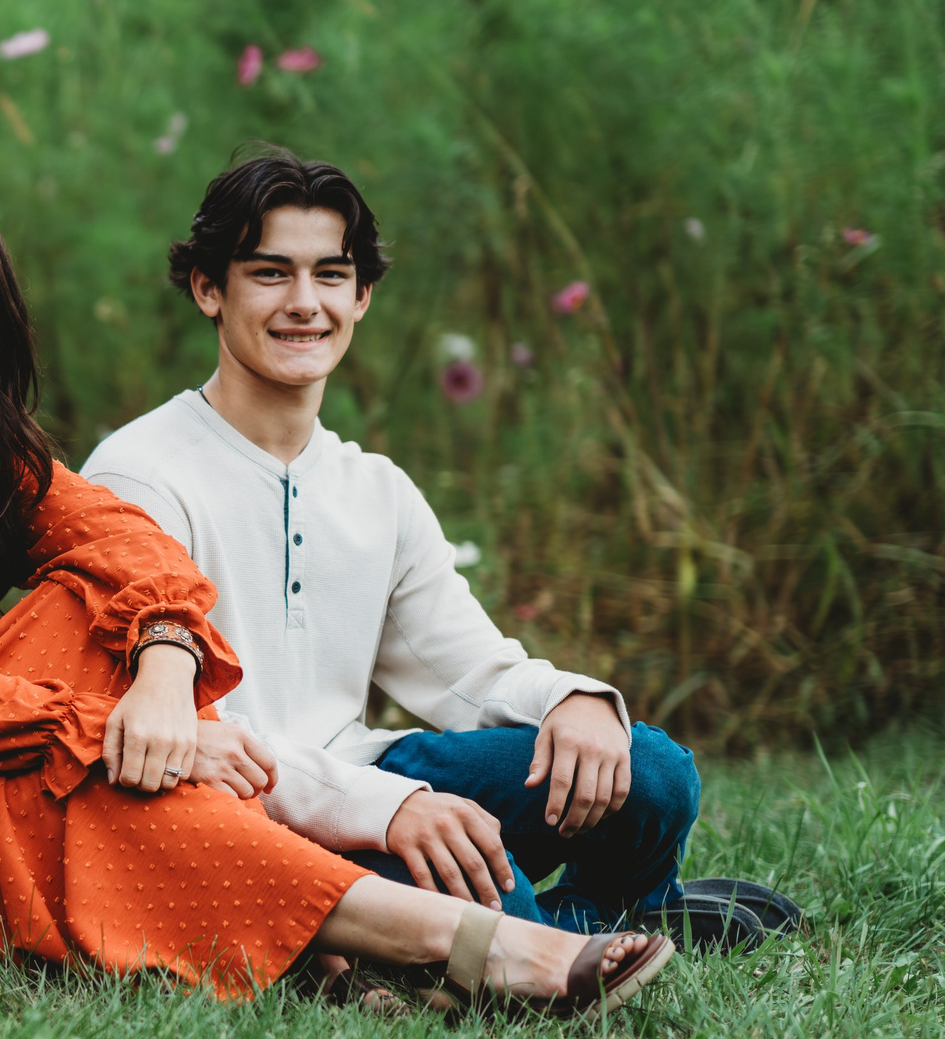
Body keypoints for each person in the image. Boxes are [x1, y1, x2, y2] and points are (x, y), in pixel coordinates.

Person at [0, 173, 674, 1013]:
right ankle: (475, 947)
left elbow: (131, 554)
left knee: (95, 626)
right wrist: (123, 727)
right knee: (106, 772)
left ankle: (360, 953)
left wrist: (165, 666)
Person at [82, 147, 796, 946]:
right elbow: (200, 734)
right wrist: (391, 811)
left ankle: (599, 916)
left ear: (363, 297)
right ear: (209, 289)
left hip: (365, 772)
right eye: (271, 273)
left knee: (652, 771)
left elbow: (465, 670)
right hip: (247, 817)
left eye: (330, 275)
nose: (304, 303)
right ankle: (572, 929)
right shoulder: (140, 475)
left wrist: (571, 700)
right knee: (497, 902)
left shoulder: (375, 488)